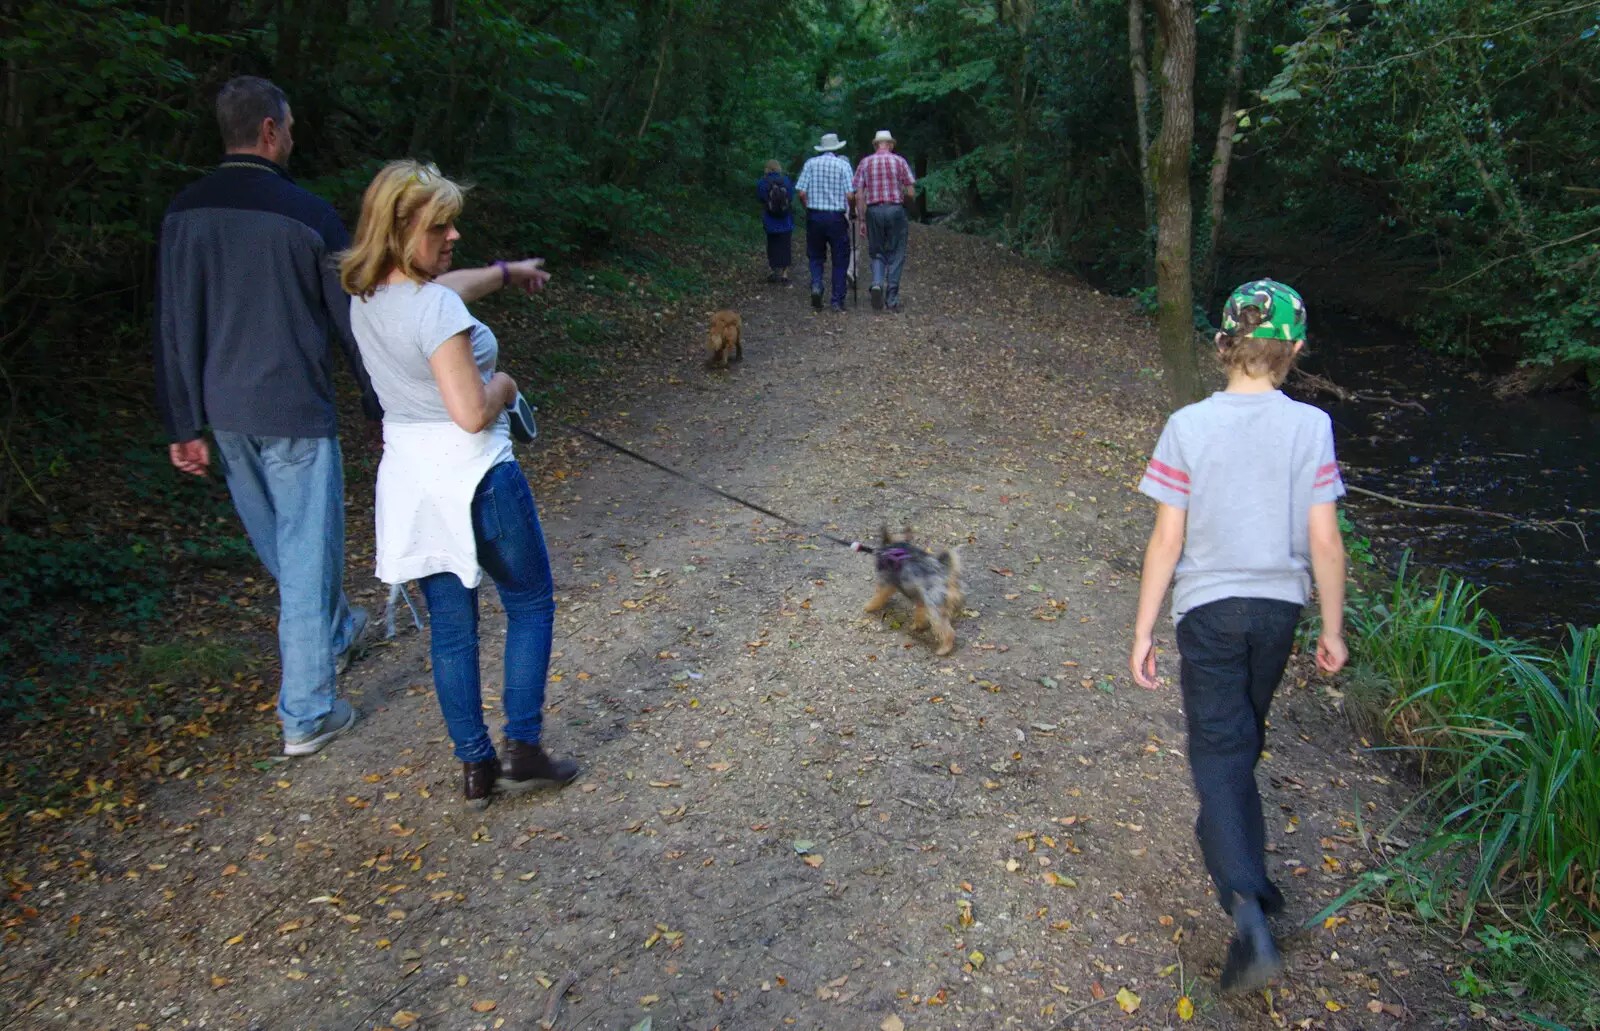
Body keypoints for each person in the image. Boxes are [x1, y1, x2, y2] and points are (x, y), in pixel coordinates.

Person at [1128, 280, 1348, 993]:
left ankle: (1248, 907)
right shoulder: (1311, 426)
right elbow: (1325, 537)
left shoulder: (1189, 424)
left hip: (1210, 611)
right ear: (1294, 349)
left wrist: (1143, 629)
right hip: (1277, 611)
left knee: (1221, 747)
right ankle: (1243, 862)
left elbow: (1168, 538)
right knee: (1244, 736)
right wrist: (1334, 627)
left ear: (1223, 343)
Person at [339, 160, 579, 808]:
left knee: (452, 627)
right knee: (530, 601)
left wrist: (506, 273)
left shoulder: (367, 296)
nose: (453, 237)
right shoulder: (435, 305)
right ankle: (522, 747)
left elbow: (446, 290)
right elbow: (472, 410)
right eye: (439, 227)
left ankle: (475, 765)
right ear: (399, 229)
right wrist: (508, 385)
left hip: (416, 485)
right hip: (477, 477)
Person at [155, 75, 381, 757]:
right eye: (291, 127)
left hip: (226, 417)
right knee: (304, 553)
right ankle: (308, 710)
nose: (294, 138)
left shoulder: (183, 213)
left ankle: (335, 632)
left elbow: (174, 323)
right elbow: (351, 319)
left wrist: (181, 421)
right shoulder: (310, 215)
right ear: (269, 132)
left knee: (288, 550)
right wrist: (378, 401)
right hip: (294, 410)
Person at [852, 130, 917, 312]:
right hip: (895, 209)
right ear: (890, 145)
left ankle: (877, 283)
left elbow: (858, 195)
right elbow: (911, 192)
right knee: (897, 252)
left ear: (875, 145)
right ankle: (891, 299)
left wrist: (862, 219)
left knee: (876, 250)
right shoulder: (899, 161)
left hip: (873, 210)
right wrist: (905, 205)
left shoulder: (865, 162)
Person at [793, 133, 856, 313]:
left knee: (815, 255)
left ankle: (817, 285)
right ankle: (836, 300)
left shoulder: (810, 164)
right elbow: (850, 194)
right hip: (836, 217)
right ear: (836, 148)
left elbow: (801, 193)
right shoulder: (843, 165)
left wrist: (808, 209)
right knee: (840, 258)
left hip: (815, 215)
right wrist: (851, 211)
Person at [756, 160, 795, 285]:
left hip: (770, 219)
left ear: (766, 169)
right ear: (779, 168)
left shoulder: (762, 182)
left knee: (772, 245)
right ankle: (784, 274)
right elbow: (791, 198)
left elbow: (760, 198)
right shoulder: (786, 181)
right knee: (785, 245)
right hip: (785, 219)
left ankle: (773, 271)